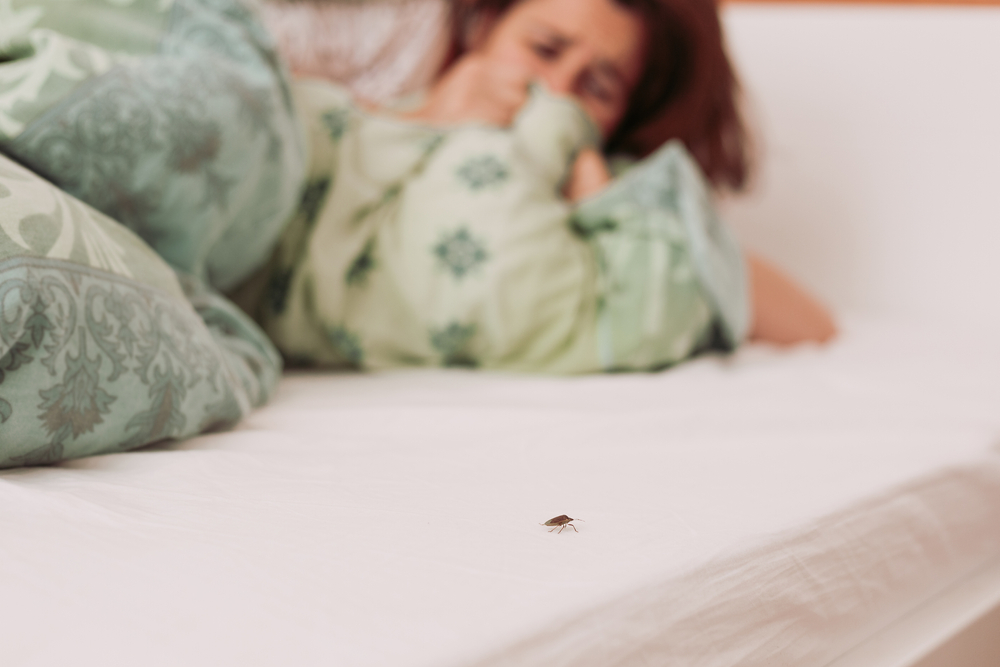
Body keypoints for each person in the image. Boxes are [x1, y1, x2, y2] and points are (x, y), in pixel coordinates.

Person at [407, 0, 837, 347]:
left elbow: (812, 324)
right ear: (484, 25)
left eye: (599, 88)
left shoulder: (613, 191)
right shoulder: (370, 132)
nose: (557, 91)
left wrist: (614, 211)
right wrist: (411, 128)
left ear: (625, 117)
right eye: (544, 49)